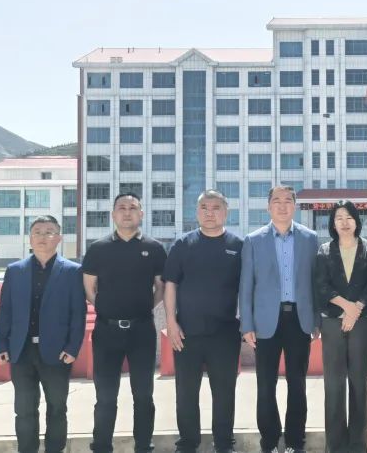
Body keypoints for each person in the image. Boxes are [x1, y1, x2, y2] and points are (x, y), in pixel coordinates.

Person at [82, 192, 168, 453]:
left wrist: (143, 309)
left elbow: (160, 288)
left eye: (132, 208)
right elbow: (89, 288)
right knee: (105, 396)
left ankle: (143, 446)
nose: (127, 212)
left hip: (142, 330)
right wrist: (107, 309)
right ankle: (101, 446)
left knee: (143, 394)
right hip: (106, 331)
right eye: (121, 207)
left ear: (141, 213)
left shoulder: (155, 248)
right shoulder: (98, 248)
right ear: (113, 214)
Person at [0, 215, 86, 453]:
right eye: (37, 232)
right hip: (21, 350)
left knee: (57, 408)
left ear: (59, 238)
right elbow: (6, 310)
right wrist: (1, 344)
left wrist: (72, 348)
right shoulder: (15, 271)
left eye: (49, 232)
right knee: (24, 410)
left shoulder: (73, 271)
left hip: (57, 352)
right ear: (30, 238)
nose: (42, 237)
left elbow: (78, 313)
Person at [239, 185, 320, 453]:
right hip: (265, 322)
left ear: (295, 205)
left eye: (287, 201)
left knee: (297, 384)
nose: (282, 206)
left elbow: (315, 282)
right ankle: (270, 442)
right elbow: (246, 285)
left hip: (299, 319)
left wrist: (316, 320)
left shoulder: (310, 238)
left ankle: (296, 443)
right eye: (276, 201)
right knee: (265, 385)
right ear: (268, 206)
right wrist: (247, 324)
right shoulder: (254, 240)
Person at [163, 190, 243, 453]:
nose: (210, 213)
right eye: (204, 208)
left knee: (225, 393)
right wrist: (171, 323)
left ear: (226, 212)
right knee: (186, 393)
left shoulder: (238, 245)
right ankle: (188, 444)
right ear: (197, 212)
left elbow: (248, 287)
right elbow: (171, 284)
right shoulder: (183, 244)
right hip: (187, 332)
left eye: (216, 208)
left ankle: (224, 444)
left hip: (225, 333)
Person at [313, 200, 367, 453]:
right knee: (334, 385)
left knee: (359, 384)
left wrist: (356, 310)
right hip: (332, 322)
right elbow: (321, 286)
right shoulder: (324, 250)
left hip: (361, 324)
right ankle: (335, 446)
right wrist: (346, 308)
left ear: (356, 221)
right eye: (338, 217)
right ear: (332, 222)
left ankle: (357, 446)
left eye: (349, 217)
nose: (344, 222)